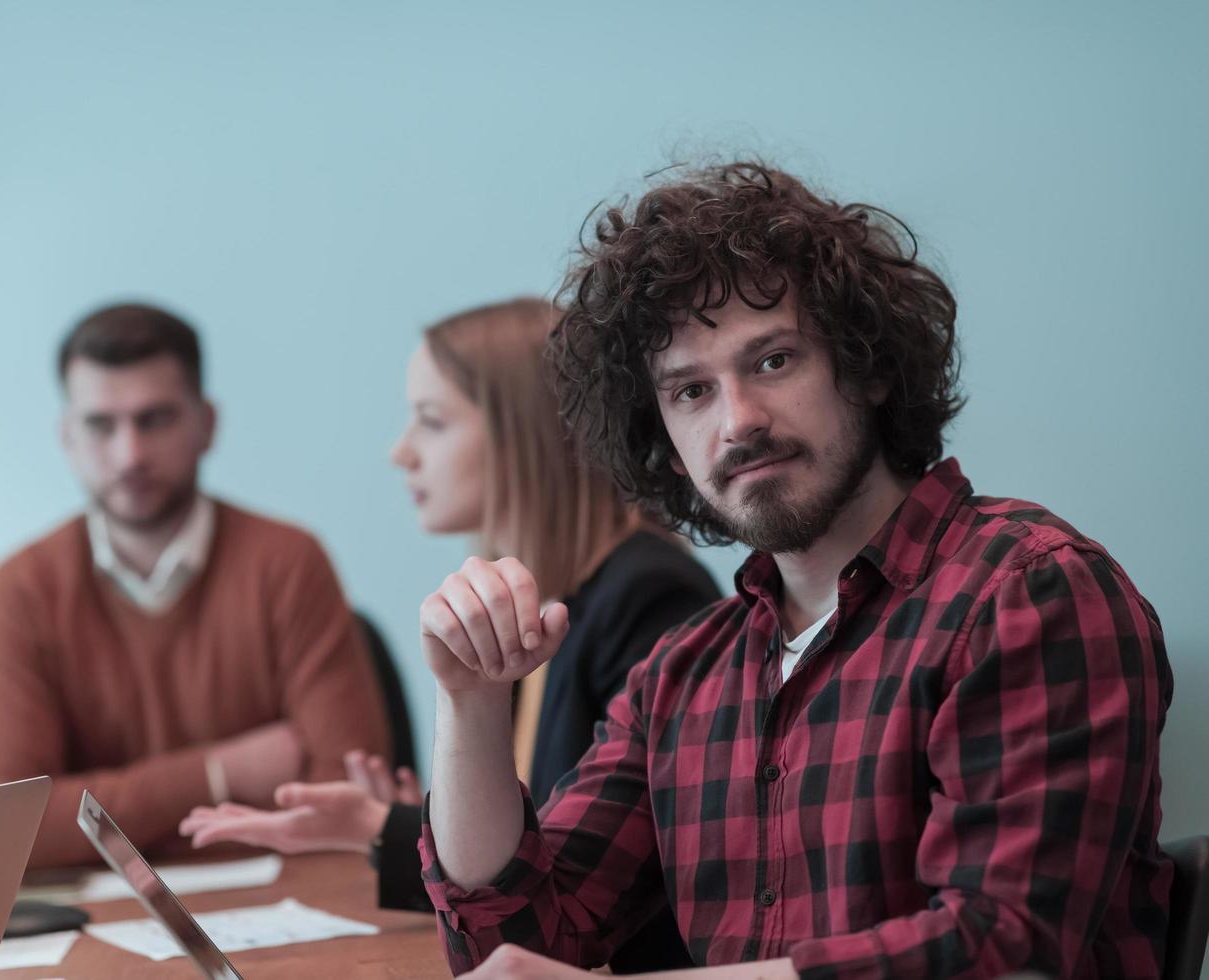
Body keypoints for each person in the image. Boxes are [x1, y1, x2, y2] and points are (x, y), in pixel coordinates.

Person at [415, 163, 1173, 978]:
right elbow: (520, 944)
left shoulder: (1027, 591)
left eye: (773, 361)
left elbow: (999, 949)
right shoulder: (685, 671)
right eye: (692, 392)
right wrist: (472, 703)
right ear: (662, 439)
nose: (739, 422)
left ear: (869, 367)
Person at [179, 298, 721, 972]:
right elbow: (527, 859)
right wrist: (388, 827)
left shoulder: (647, 594)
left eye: (431, 422)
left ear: (524, 433)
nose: (400, 451)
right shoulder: (544, 593)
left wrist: (379, 828)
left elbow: (590, 878)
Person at [0, 302, 391, 867]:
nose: (130, 454)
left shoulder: (289, 562)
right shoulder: (23, 587)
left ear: (206, 424)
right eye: (100, 425)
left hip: (291, 906)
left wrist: (102, 816)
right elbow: (5, 829)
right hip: (99, 929)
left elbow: (345, 798)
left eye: (155, 419)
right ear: (67, 437)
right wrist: (222, 773)